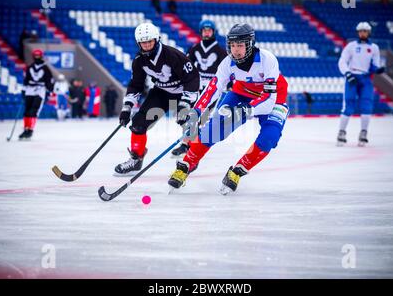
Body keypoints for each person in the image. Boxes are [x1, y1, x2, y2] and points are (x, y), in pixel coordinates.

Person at [167, 23, 289, 195]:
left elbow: (269, 100)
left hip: (274, 98)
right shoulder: (226, 64)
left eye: (240, 45)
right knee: (214, 129)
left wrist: (246, 110)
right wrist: (196, 112)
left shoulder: (267, 60)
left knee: (270, 137)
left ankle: (237, 171)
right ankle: (186, 165)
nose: (236, 50)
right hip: (241, 93)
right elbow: (212, 89)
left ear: (250, 44)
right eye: (232, 45)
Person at [115, 22, 200, 175]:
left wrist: (185, 103)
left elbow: (192, 77)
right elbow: (136, 84)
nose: (147, 45)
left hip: (182, 92)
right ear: (138, 43)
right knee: (138, 123)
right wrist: (127, 108)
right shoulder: (139, 60)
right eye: (143, 42)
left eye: (149, 41)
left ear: (156, 39)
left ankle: (192, 158)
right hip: (161, 92)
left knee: (189, 123)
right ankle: (136, 159)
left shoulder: (172, 55)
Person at [171, 19, 228, 157]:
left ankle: (192, 145)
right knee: (188, 115)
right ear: (201, 32)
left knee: (201, 119)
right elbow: (186, 67)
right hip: (195, 88)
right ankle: (186, 144)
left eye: (209, 30)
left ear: (213, 32)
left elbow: (226, 72)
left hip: (211, 90)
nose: (207, 33)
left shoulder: (220, 52)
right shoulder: (194, 49)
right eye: (204, 30)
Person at [337, 22, 385, 146]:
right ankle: (341, 132)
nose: (363, 33)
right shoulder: (351, 46)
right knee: (348, 106)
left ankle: (363, 133)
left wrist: (378, 69)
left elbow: (375, 64)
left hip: (366, 79)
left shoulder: (374, 48)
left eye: (365, 31)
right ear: (358, 32)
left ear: (369, 32)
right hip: (352, 77)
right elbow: (342, 61)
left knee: (367, 106)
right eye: (360, 31)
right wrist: (347, 73)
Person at [19, 49, 54, 140]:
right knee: (27, 110)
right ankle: (25, 129)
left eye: (38, 56)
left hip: (40, 90)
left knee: (34, 110)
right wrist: (23, 89)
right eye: (35, 56)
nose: (37, 58)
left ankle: (30, 130)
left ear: (41, 56)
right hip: (29, 89)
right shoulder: (30, 67)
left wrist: (50, 89)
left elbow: (49, 80)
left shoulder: (45, 68)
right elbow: (26, 79)